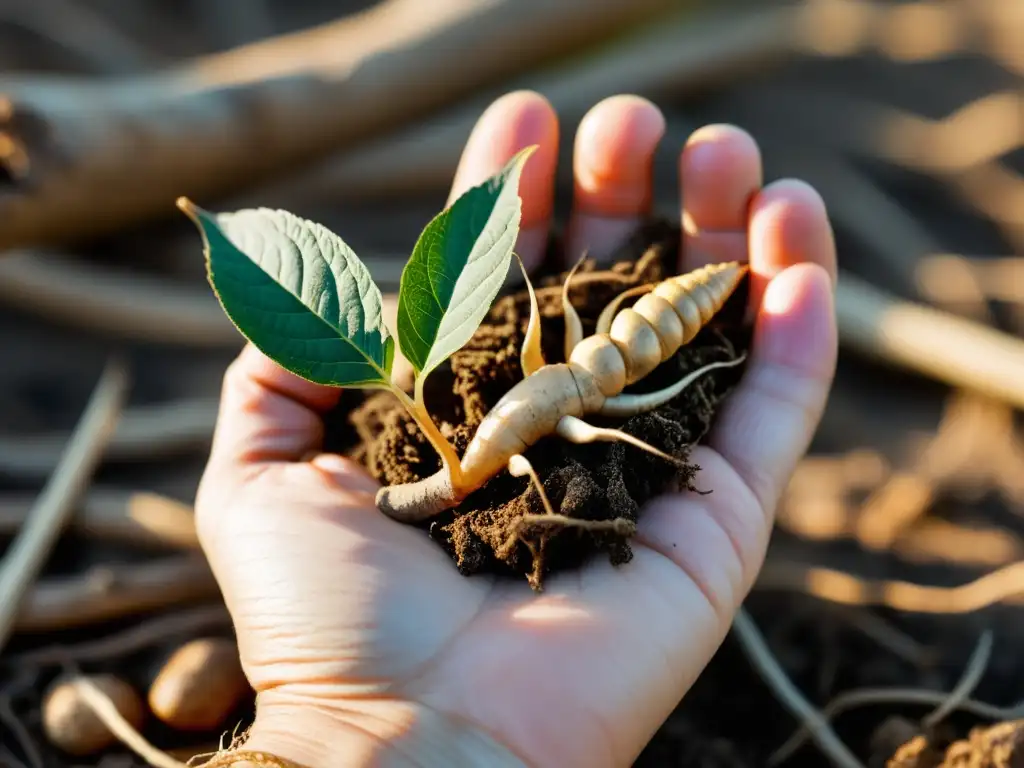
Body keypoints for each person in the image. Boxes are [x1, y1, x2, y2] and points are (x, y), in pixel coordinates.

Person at [195, 91, 838, 767]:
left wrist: (333, 714)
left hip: (613, 359)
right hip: (605, 360)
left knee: (618, 399)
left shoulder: (526, 428)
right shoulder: (498, 454)